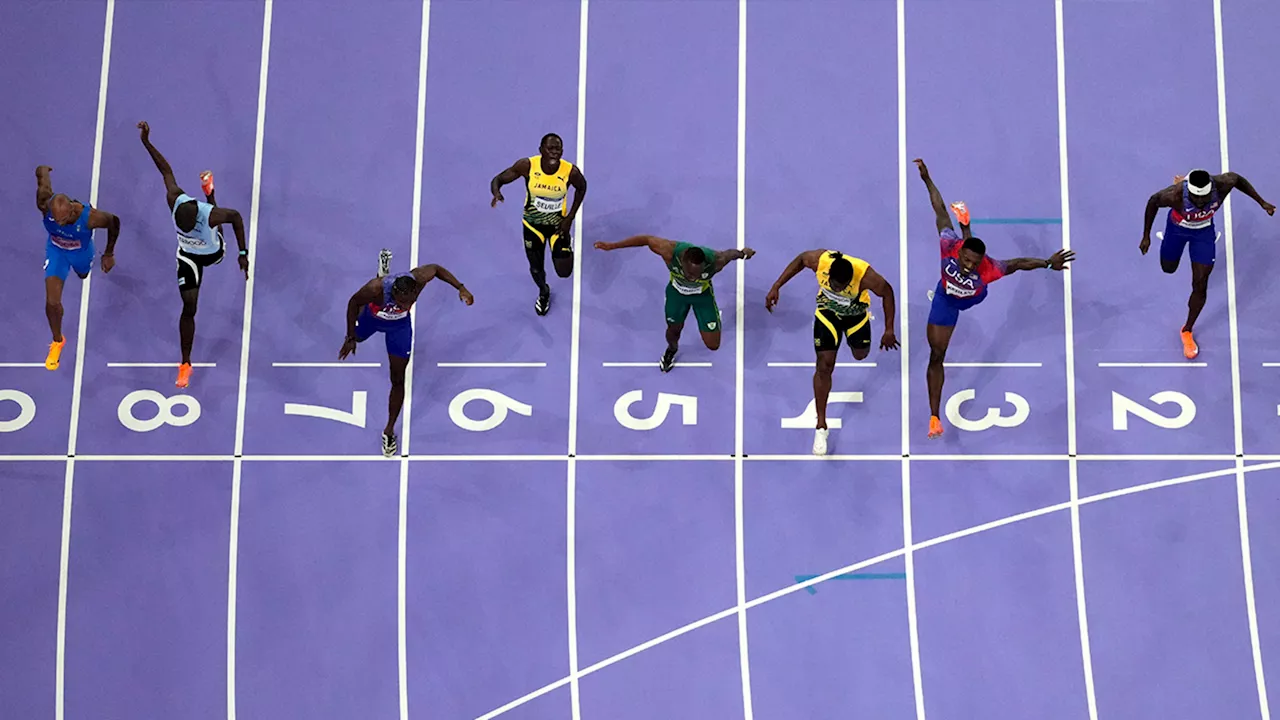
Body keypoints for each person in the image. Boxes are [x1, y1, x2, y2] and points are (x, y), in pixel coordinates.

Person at [915, 158, 1074, 440]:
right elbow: (939, 209)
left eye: (973, 263)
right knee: (936, 355)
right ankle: (934, 416)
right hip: (947, 300)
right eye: (966, 259)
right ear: (960, 251)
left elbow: (1019, 263)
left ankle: (968, 224)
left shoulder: (989, 269)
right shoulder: (949, 245)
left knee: (992, 283)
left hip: (973, 297)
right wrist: (927, 179)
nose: (968, 266)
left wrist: (1048, 263)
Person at [137, 121, 248, 389]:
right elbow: (165, 170)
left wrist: (243, 252)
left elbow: (236, 217)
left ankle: (210, 194)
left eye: (190, 226)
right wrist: (146, 142)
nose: (186, 227)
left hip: (213, 252)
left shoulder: (208, 216)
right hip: (188, 256)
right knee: (189, 307)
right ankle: (185, 363)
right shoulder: (174, 199)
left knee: (217, 221)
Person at [765, 248, 899, 454]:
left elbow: (887, 292)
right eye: (833, 286)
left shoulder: (866, 276)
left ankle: (853, 336)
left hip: (856, 316)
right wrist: (777, 286)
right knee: (824, 366)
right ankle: (821, 426)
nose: (836, 290)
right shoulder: (821, 261)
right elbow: (801, 259)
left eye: (841, 287)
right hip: (827, 315)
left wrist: (889, 329)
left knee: (860, 355)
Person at [340, 262, 473, 457]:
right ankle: (378, 282)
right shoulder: (376, 288)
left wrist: (461, 288)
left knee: (397, 379)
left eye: (409, 302)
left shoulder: (418, 279)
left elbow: (436, 269)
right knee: (359, 324)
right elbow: (352, 302)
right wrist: (350, 337)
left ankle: (389, 431)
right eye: (402, 302)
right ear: (394, 293)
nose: (405, 305)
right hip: (372, 318)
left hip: (399, 328)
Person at [1141, 168, 1274, 359]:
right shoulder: (1174, 195)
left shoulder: (1221, 185)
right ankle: (1184, 181)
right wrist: (1146, 236)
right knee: (1168, 268)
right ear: (1189, 192)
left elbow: (1237, 179)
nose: (1202, 203)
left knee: (1201, 284)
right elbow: (1153, 202)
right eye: (1197, 200)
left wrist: (1262, 202)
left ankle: (1187, 330)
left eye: (1205, 199)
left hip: (1203, 235)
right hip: (1177, 230)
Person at [593, 235, 754, 371]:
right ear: (682, 261)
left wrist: (743, 253)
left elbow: (730, 254)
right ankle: (671, 350)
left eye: (698, 274)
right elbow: (646, 239)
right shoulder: (669, 251)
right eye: (690, 273)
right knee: (673, 331)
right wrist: (612, 246)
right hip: (677, 295)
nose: (693, 278)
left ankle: (711, 315)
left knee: (713, 345)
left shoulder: (715, 261)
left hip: (702, 296)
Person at [490, 133, 587, 316]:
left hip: (559, 226)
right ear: (541, 149)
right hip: (533, 226)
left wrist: (570, 218)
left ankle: (565, 247)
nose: (554, 152)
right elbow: (498, 179)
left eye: (558, 149)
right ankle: (543, 292)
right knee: (536, 268)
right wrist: (496, 192)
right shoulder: (527, 166)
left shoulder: (569, 171)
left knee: (564, 272)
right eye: (550, 148)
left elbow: (582, 187)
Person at [35, 164, 121, 370]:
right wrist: (43, 170)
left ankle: (82, 270)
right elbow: (42, 178)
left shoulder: (90, 217)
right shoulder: (44, 203)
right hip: (56, 252)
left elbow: (114, 222)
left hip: (81, 253)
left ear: (72, 210)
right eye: (56, 220)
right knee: (52, 302)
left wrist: (109, 253)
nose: (59, 224)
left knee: (83, 275)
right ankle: (57, 341)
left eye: (63, 220)